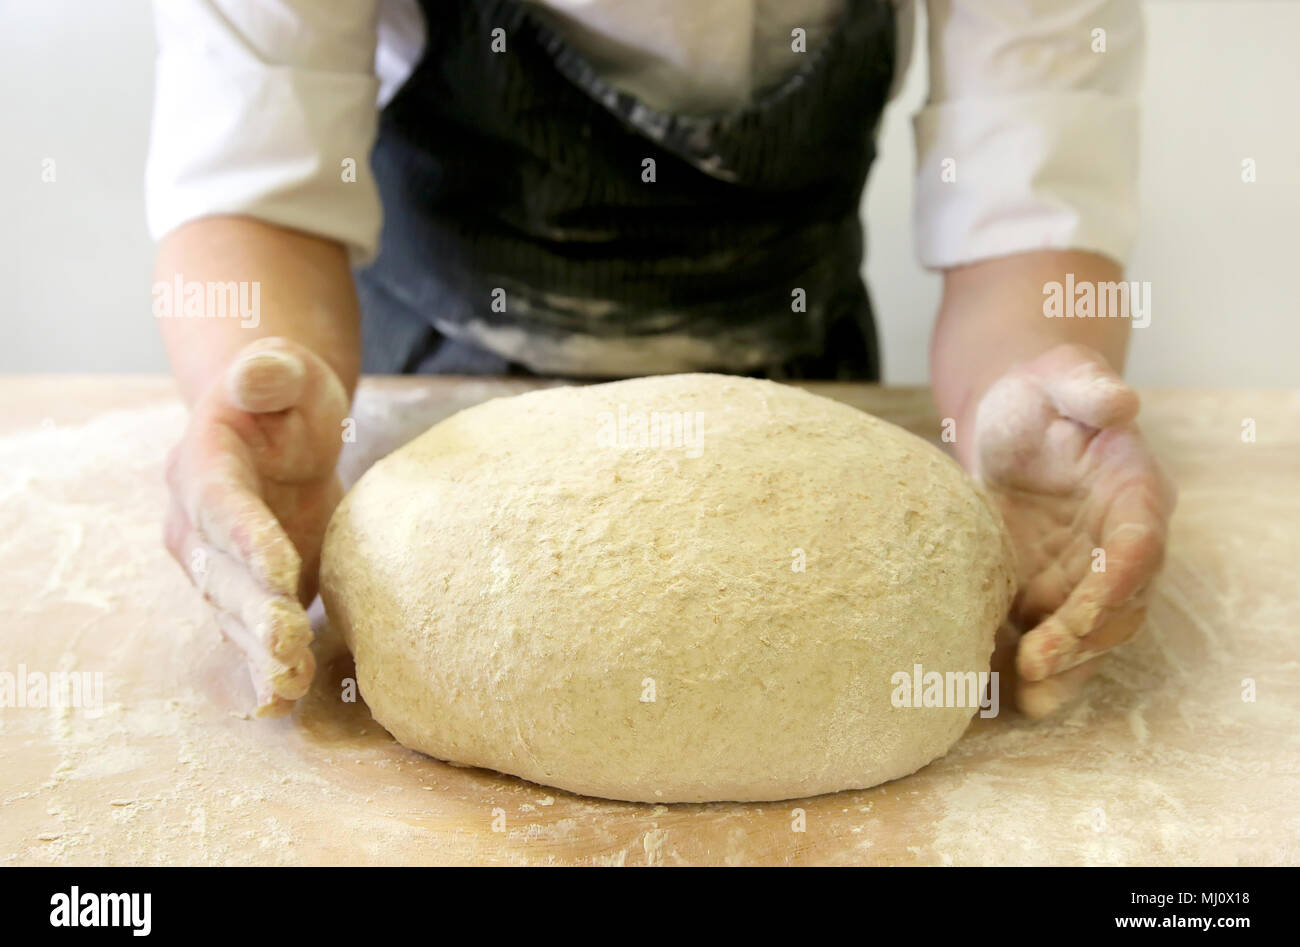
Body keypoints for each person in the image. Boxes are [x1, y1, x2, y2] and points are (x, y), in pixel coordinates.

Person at [148, 0, 1175, 719]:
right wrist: (260, 388)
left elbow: (1027, 193)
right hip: (440, 434)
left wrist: (1025, 402)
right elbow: (257, 175)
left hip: (805, 416)